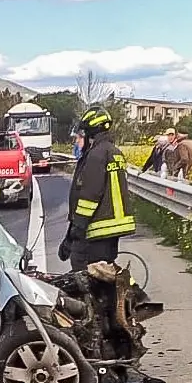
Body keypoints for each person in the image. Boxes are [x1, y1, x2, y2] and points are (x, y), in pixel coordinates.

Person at [58, 105, 136, 271]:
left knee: (83, 272)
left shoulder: (95, 155)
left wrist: (76, 230)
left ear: (90, 134)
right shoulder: (114, 152)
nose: (77, 142)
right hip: (111, 229)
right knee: (103, 273)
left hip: (96, 229)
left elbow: (89, 196)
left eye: (79, 137)